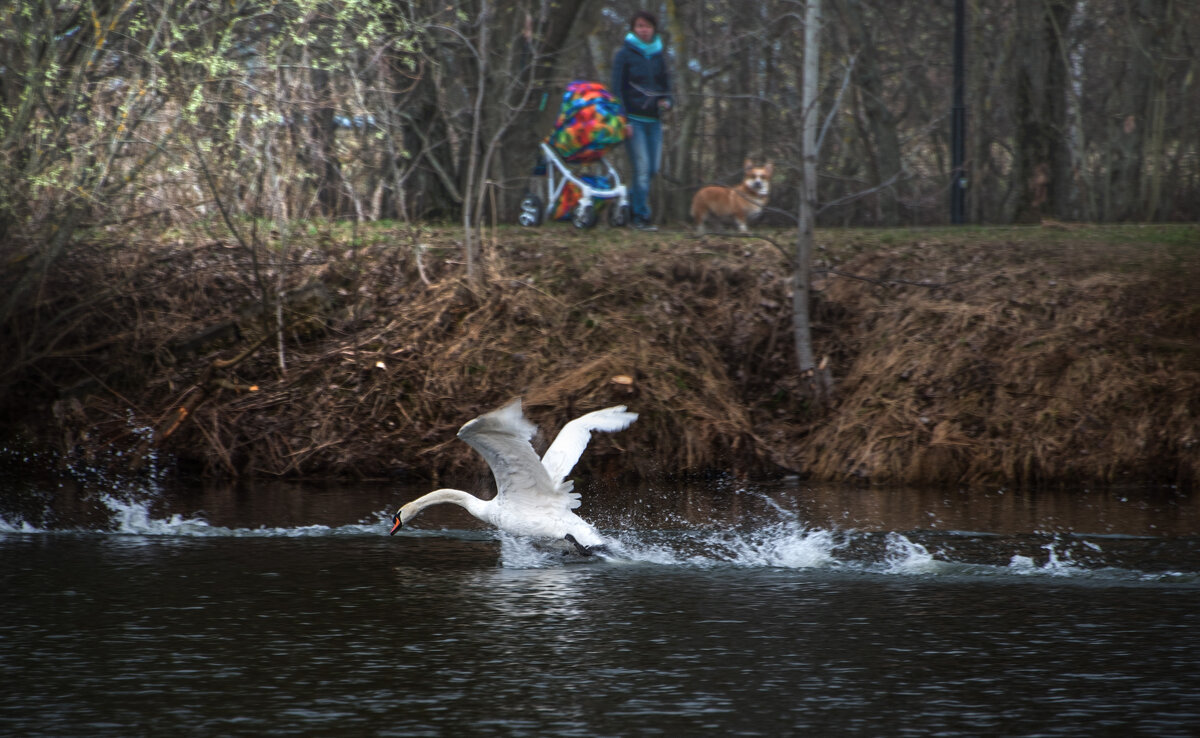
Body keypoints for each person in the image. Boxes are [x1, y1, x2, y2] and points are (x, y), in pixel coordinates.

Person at [611, 10, 672, 231]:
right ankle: (641, 217)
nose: (643, 30)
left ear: (654, 29)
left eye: (646, 26)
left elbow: (667, 84)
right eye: (639, 26)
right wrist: (623, 119)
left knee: (653, 168)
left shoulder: (659, 55)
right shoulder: (624, 55)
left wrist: (667, 101)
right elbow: (616, 88)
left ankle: (626, 204)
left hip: (654, 121)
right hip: (633, 120)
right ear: (633, 29)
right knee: (642, 169)